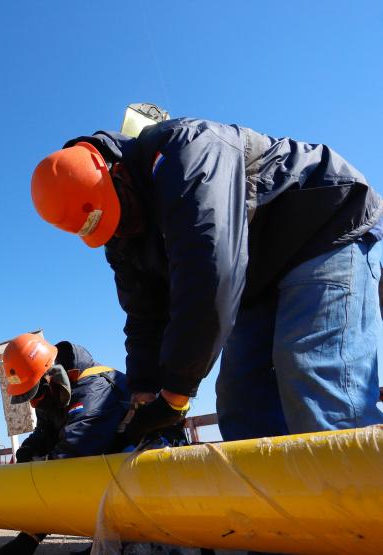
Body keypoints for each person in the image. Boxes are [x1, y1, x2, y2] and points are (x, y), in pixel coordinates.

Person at [30, 117, 383, 442]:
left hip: (322, 230)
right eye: (112, 227)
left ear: (116, 172)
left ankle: (362, 506)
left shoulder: (187, 152)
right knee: (241, 402)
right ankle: (274, 510)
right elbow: (143, 315)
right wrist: (143, 390)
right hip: (255, 278)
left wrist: (175, 394)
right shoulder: (120, 237)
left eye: (122, 214)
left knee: (315, 385)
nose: (123, 228)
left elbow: (209, 271)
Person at [0, 333, 130, 555]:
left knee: (63, 472)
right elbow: (46, 433)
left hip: (141, 459)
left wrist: (31, 532)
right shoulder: (54, 392)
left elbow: (75, 451)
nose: (34, 402)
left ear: (51, 375)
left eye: (35, 393)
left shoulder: (94, 389)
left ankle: (122, 544)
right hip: (107, 459)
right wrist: (28, 451)